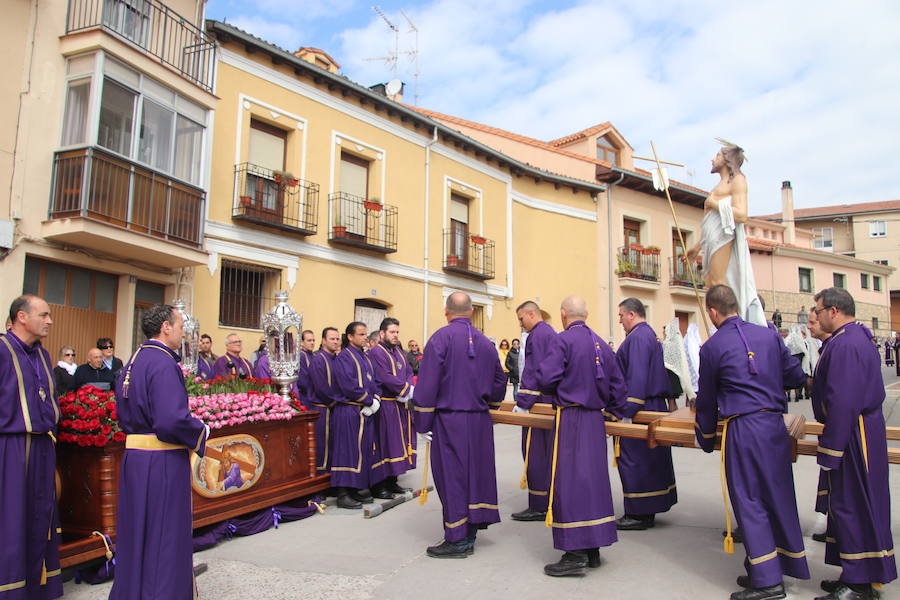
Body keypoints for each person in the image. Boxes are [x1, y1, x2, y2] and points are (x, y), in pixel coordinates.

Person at [695, 285, 809, 600]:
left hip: (743, 428)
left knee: (750, 501)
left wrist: (705, 437)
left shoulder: (713, 346)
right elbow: (796, 377)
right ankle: (776, 565)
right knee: (778, 497)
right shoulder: (770, 336)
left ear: (713, 312)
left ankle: (768, 582)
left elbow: (706, 400)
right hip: (774, 426)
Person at [109, 304, 209, 599]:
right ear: (165, 327)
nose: (183, 333)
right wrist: (200, 431)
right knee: (164, 532)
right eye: (180, 326)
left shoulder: (134, 359)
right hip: (162, 458)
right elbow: (170, 419)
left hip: (136, 458)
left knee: (137, 531)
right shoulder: (163, 362)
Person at [810, 287, 896, 600]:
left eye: (818, 310)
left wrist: (830, 449)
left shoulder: (846, 343)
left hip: (854, 433)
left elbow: (844, 400)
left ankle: (859, 584)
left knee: (852, 505)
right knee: (850, 504)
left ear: (833, 311)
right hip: (859, 429)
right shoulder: (853, 337)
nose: (815, 316)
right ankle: (854, 572)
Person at [534, 295, 628, 576]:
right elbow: (618, 388)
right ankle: (593, 547)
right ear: (585, 314)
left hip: (571, 418)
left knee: (569, 482)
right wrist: (613, 410)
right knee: (593, 483)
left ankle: (574, 552)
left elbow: (545, 378)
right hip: (595, 421)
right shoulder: (601, 343)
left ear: (563, 314)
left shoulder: (562, 341)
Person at [413, 292, 507, 558]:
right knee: (477, 474)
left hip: (449, 419)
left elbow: (428, 383)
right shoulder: (487, 343)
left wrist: (422, 421)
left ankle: (457, 538)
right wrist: (488, 401)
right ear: (472, 312)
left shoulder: (440, 338)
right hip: (479, 420)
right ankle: (473, 526)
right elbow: (500, 381)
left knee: (452, 477)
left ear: (446, 311)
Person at [1, 295, 62, 599]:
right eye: (44, 314)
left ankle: (35, 587)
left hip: (41, 445)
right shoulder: (1, 349)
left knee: (40, 515)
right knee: (12, 517)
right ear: (22, 317)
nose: (49, 320)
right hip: (10, 447)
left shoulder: (42, 354)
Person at [686, 141, 765, 327]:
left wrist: (715, 204)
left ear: (727, 159)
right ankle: (718, 326)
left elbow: (742, 214)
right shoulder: (720, 185)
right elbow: (708, 223)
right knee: (711, 284)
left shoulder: (737, 180)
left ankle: (730, 324)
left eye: (718, 155)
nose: (713, 159)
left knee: (719, 283)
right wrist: (697, 247)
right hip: (711, 238)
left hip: (723, 237)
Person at [614, 298, 677, 531]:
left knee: (636, 460)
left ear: (631, 314)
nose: (620, 320)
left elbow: (637, 376)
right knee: (650, 461)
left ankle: (639, 513)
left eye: (621, 315)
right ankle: (647, 507)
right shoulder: (646, 335)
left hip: (641, 407)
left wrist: (627, 411)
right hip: (650, 403)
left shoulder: (639, 337)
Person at [511, 301, 557, 522]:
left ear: (532, 314)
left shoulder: (537, 336)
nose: (520, 324)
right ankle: (547, 499)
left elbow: (534, 369)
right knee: (547, 454)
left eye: (521, 319)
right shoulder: (549, 332)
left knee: (535, 453)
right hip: (549, 401)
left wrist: (524, 401)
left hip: (538, 403)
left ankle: (539, 504)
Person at [331, 322, 382, 508]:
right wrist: (369, 400)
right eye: (361, 334)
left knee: (361, 452)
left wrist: (376, 399)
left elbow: (375, 381)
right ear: (350, 337)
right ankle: (342, 493)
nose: (365, 337)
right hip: (348, 410)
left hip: (364, 411)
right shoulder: (344, 357)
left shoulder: (366, 357)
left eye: (365, 334)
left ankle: (356, 487)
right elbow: (348, 384)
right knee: (347, 451)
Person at [370, 318, 415, 495]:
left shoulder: (399, 351)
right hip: (386, 404)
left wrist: (409, 389)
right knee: (385, 444)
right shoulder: (377, 352)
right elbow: (384, 376)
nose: (396, 335)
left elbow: (409, 372)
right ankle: (379, 485)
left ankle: (392, 481)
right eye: (392, 332)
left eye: (397, 332)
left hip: (399, 405)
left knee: (398, 443)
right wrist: (403, 390)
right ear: (382, 334)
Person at [807, 307, 831, 545]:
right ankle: (831, 524)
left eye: (813, 321)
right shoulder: (825, 348)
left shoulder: (836, 347)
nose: (810, 326)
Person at [309, 327, 341, 478]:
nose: (335, 342)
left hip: (336, 408)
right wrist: (336, 402)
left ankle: (332, 477)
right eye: (332, 339)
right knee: (323, 445)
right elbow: (321, 387)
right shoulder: (318, 359)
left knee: (334, 444)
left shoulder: (337, 359)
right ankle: (321, 478)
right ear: (323, 341)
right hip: (323, 408)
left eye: (337, 339)